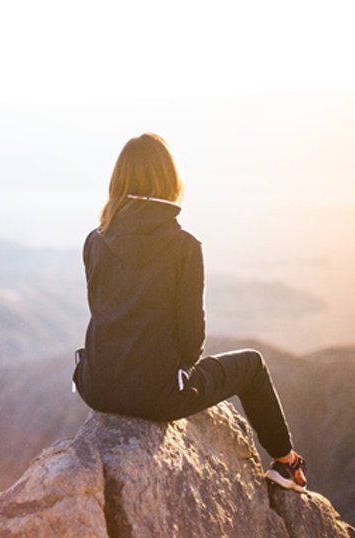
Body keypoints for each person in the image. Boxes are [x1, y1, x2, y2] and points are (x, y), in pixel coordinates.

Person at [72, 132, 307, 492]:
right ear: (170, 180)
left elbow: (102, 310)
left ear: (118, 181)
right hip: (156, 396)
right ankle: (286, 463)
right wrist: (177, 374)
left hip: (96, 386)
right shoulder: (184, 247)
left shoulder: (94, 239)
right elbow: (192, 338)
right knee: (253, 365)